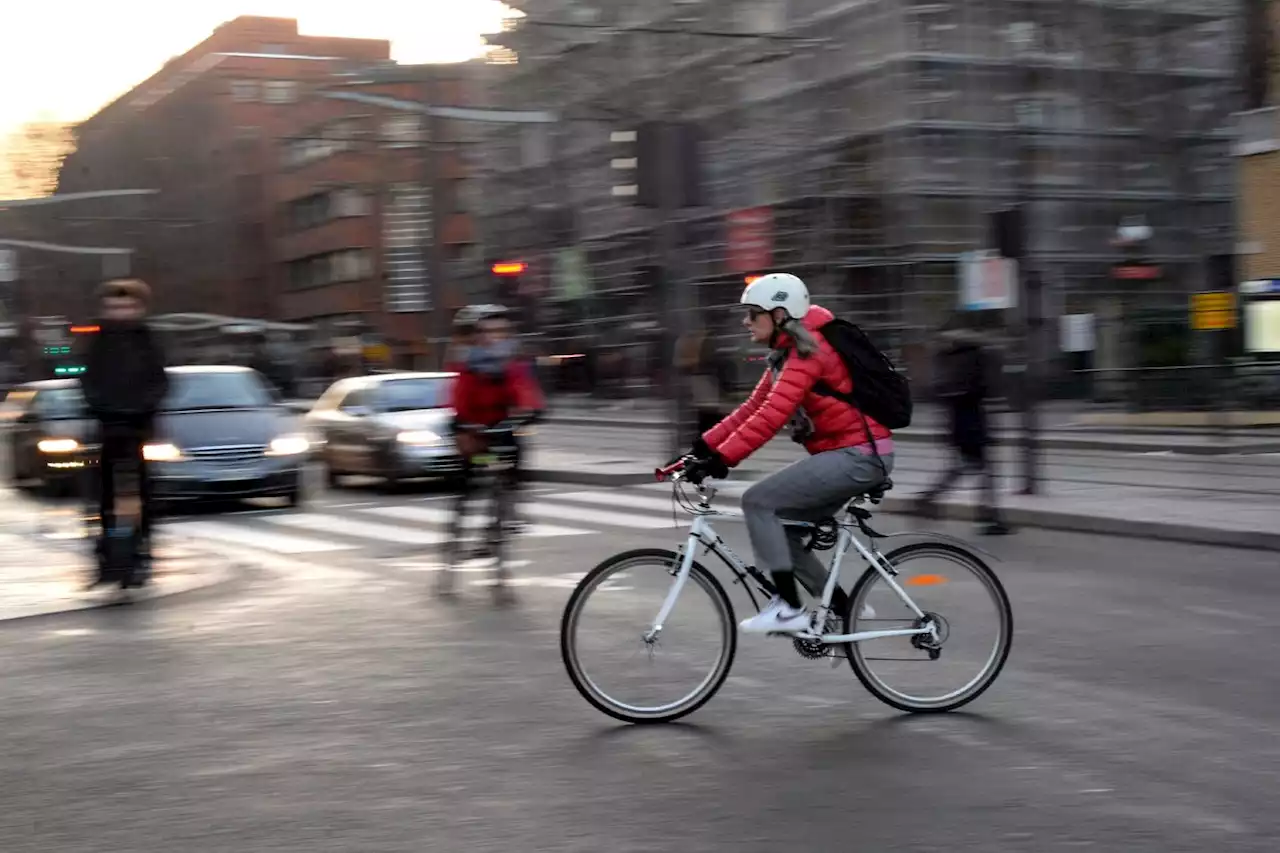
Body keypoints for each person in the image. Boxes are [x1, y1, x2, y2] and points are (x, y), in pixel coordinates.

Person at [680, 273, 894, 634]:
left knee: (758, 502)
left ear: (780, 315)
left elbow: (772, 416)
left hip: (858, 455)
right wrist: (702, 447)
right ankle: (846, 609)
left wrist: (722, 460)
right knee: (784, 531)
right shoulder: (786, 355)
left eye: (753, 314)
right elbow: (752, 408)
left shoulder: (807, 353)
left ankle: (789, 608)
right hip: (847, 453)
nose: (745, 321)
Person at [443, 304, 545, 587]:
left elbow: (525, 391)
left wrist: (532, 410)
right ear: (477, 336)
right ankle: (457, 533)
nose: (494, 337)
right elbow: (458, 398)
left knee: (517, 451)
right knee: (470, 478)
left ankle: (510, 507)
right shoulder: (468, 366)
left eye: (500, 331)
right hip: (475, 436)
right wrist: (463, 424)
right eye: (488, 332)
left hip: (500, 432)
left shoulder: (512, 365)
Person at [80, 279, 169, 585]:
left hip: (139, 427)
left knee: (144, 491)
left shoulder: (148, 341)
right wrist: (98, 405)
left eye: (127, 306)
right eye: (115, 307)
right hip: (107, 426)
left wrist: (144, 407)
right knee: (102, 492)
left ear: (139, 309)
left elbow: (159, 381)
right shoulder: (98, 342)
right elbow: (87, 380)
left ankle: (142, 547)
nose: (120, 312)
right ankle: (106, 553)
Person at [913, 315, 1011, 536]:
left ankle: (930, 499)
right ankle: (987, 517)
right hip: (972, 418)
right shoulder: (976, 355)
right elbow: (985, 387)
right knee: (981, 469)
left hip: (957, 419)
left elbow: (940, 389)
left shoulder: (947, 356)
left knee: (970, 467)